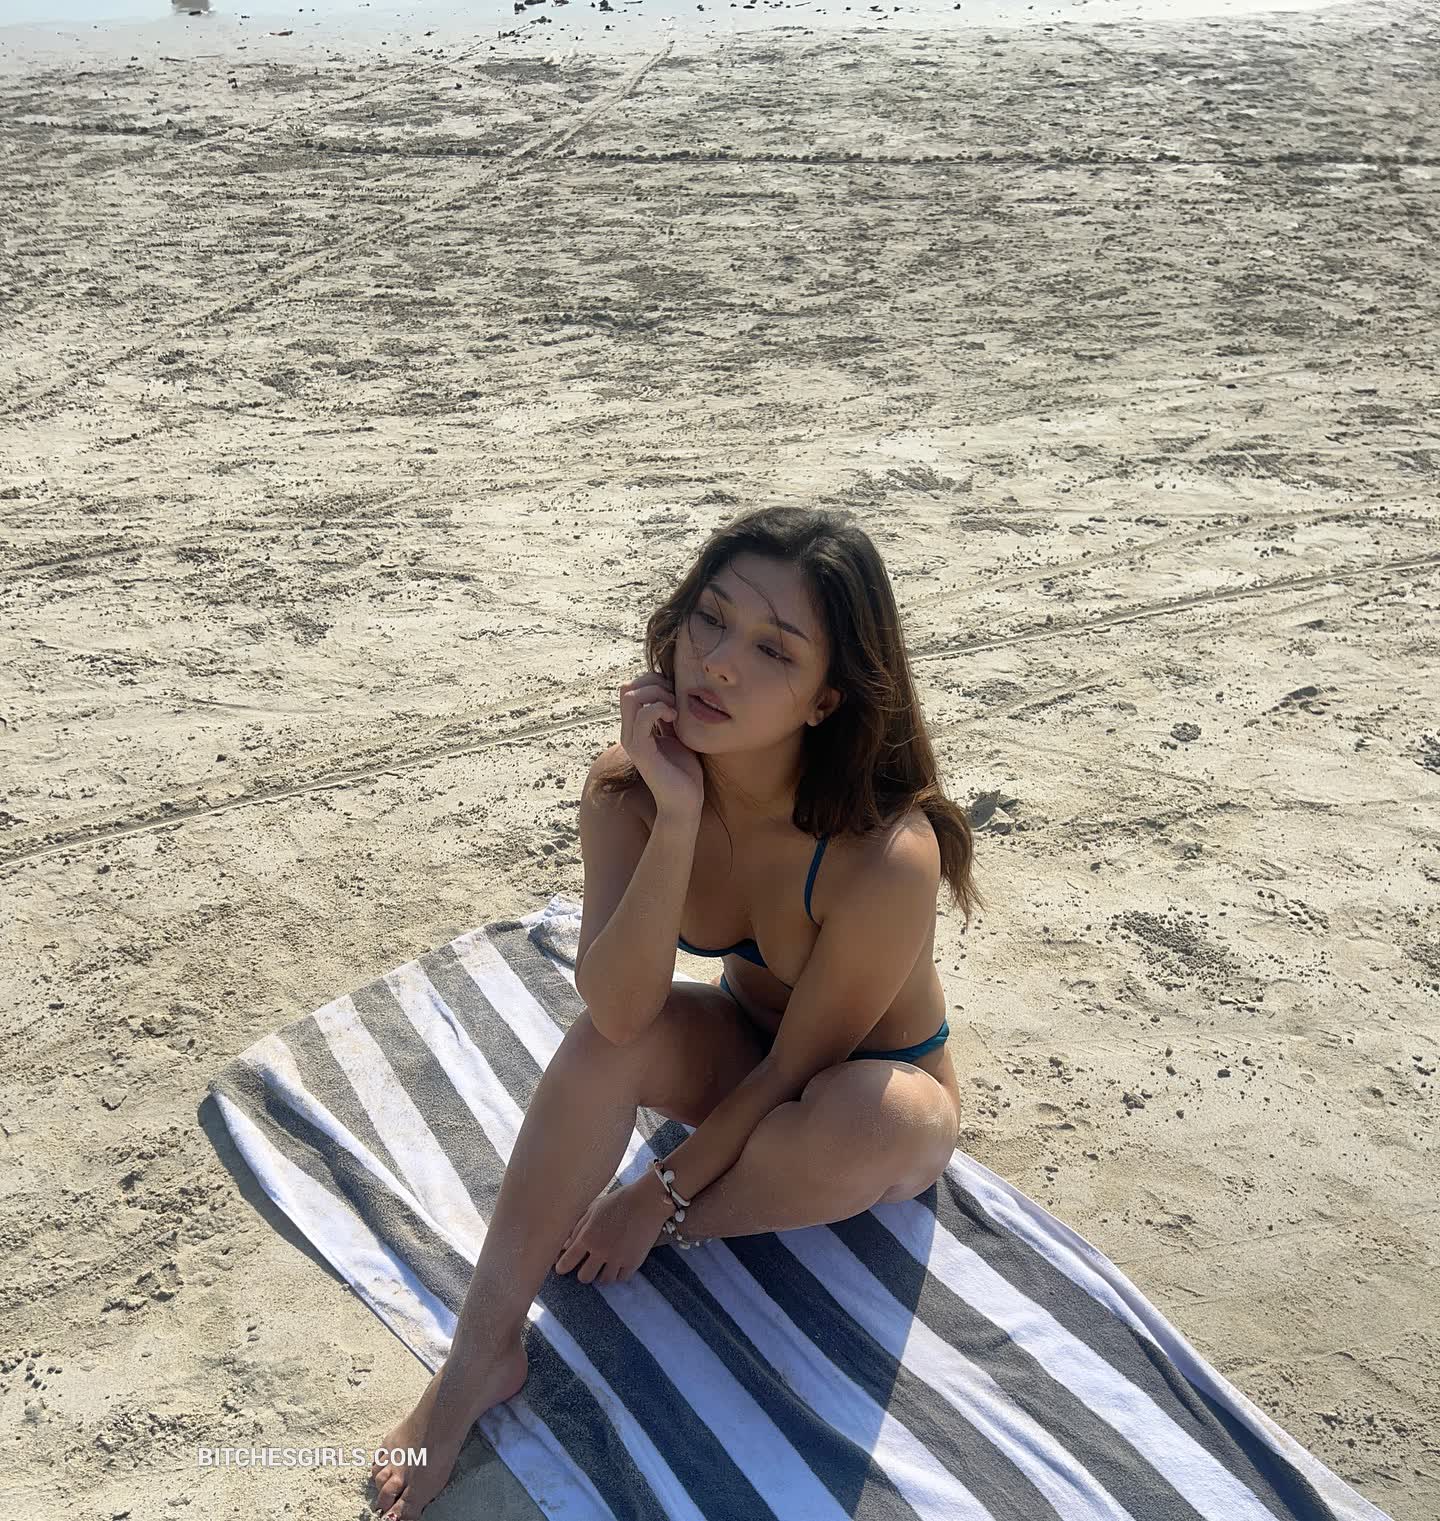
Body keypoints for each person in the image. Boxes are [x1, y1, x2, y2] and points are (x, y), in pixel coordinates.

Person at [369, 504, 984, 1519]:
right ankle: (479, 1356)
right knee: (600, 1048)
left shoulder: (885, 851)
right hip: (744, 1054)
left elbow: (798, 1070)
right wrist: (679, 815)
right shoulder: (633, 793)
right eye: (711, 618)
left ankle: (673, 1234)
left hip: (866, 1099)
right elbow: (619, 1011)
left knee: (874, 1118)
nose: (719, 662)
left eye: (773, 650)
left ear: (827, 698)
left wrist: (656, 1197)